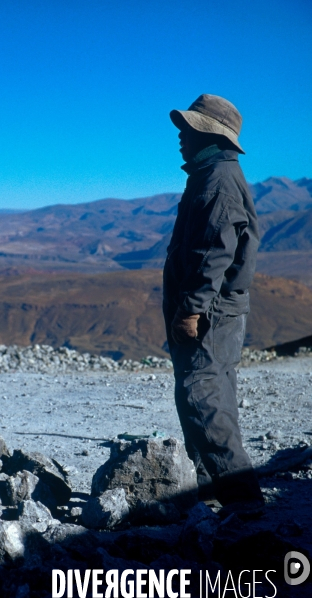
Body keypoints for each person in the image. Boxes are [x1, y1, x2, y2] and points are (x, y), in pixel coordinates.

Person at [163, 94, 264, 517]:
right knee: (211, 397)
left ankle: (242, 503)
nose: (180, 139)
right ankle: (209, 494)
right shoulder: (212, 174)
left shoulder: (218, 181)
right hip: (216, 310)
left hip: (210, 312)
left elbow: (214, 254)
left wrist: (191, 309)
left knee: (201, 396)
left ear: (208, 134)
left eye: (188, 130)